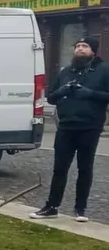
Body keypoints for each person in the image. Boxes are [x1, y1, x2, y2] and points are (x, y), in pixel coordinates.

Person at [32, 37, 109, 222]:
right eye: (77, 46)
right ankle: (52, 206)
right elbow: (51, 98)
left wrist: (90, 94)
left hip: (90, 126)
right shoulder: (66, 71)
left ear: (93, 51)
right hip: (66, 126)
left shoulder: (104, 70)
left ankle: (80, 209)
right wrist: (63, 91)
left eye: (85, 46)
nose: (80, 49)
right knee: (60, 168)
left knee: (85, 168)